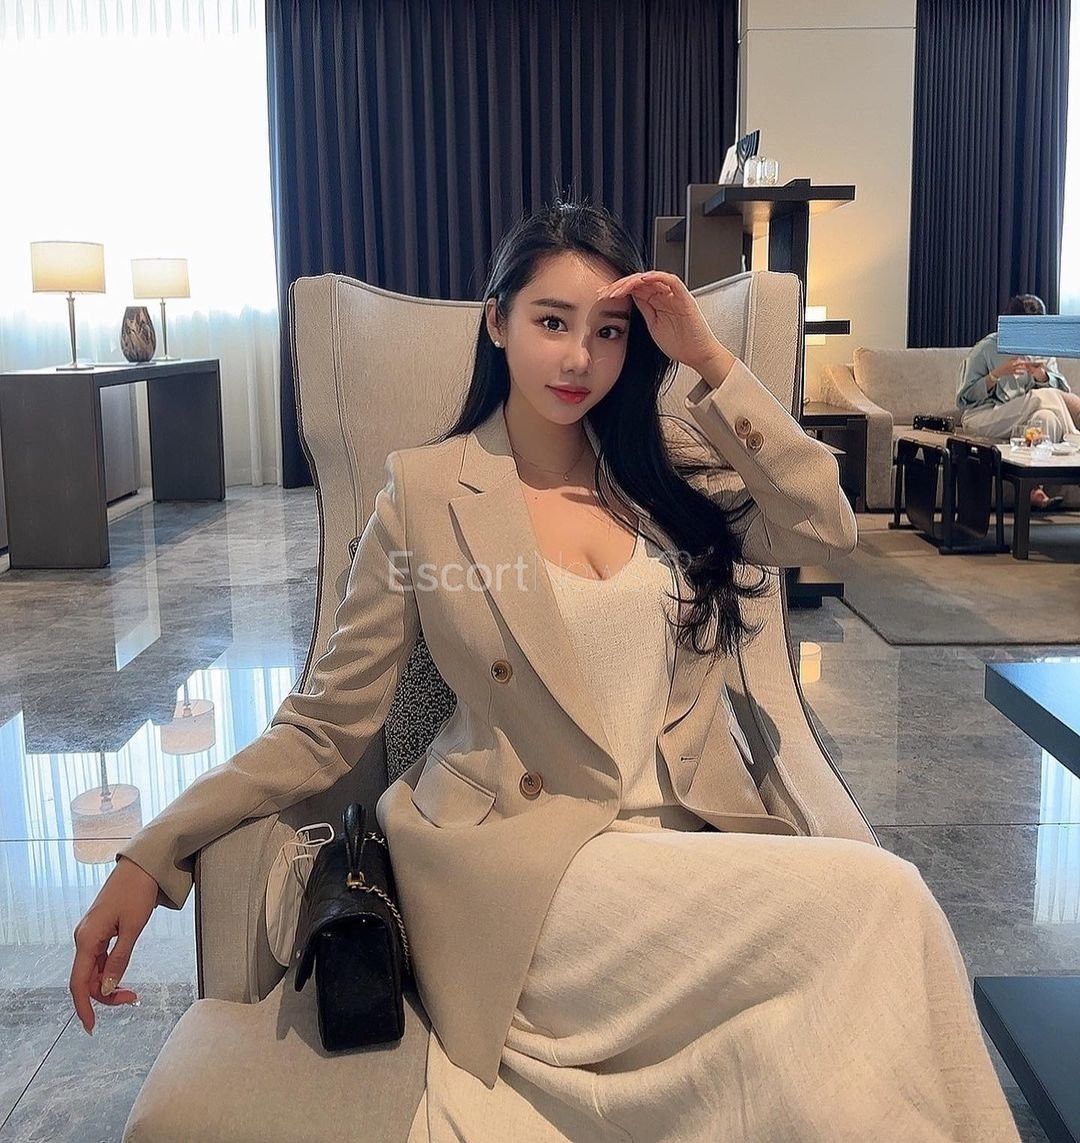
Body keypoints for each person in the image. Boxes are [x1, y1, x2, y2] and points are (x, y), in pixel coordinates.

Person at [70, 200, 1021, 1142]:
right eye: (552, 322)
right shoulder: (426, 492)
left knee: (845, 1042)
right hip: (528, 880)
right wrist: (154, 849)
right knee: (884, 899)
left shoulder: (662, 476)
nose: (578, 359)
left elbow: (827, 528)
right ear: (498, 321)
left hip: (678, 845)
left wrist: (709, 359)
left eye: (608, 332)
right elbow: (324, 723)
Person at [957, 293, 1080, 510]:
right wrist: (996, 375)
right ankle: (1075, 439)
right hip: (984, 416)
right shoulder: (987, 348)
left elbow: (1060, 393)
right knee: (1041, 397)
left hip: (1025, 417)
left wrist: (1042, 376)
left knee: (1046, 417)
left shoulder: (1042, 350)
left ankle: (1033, 489)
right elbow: (964, 399)